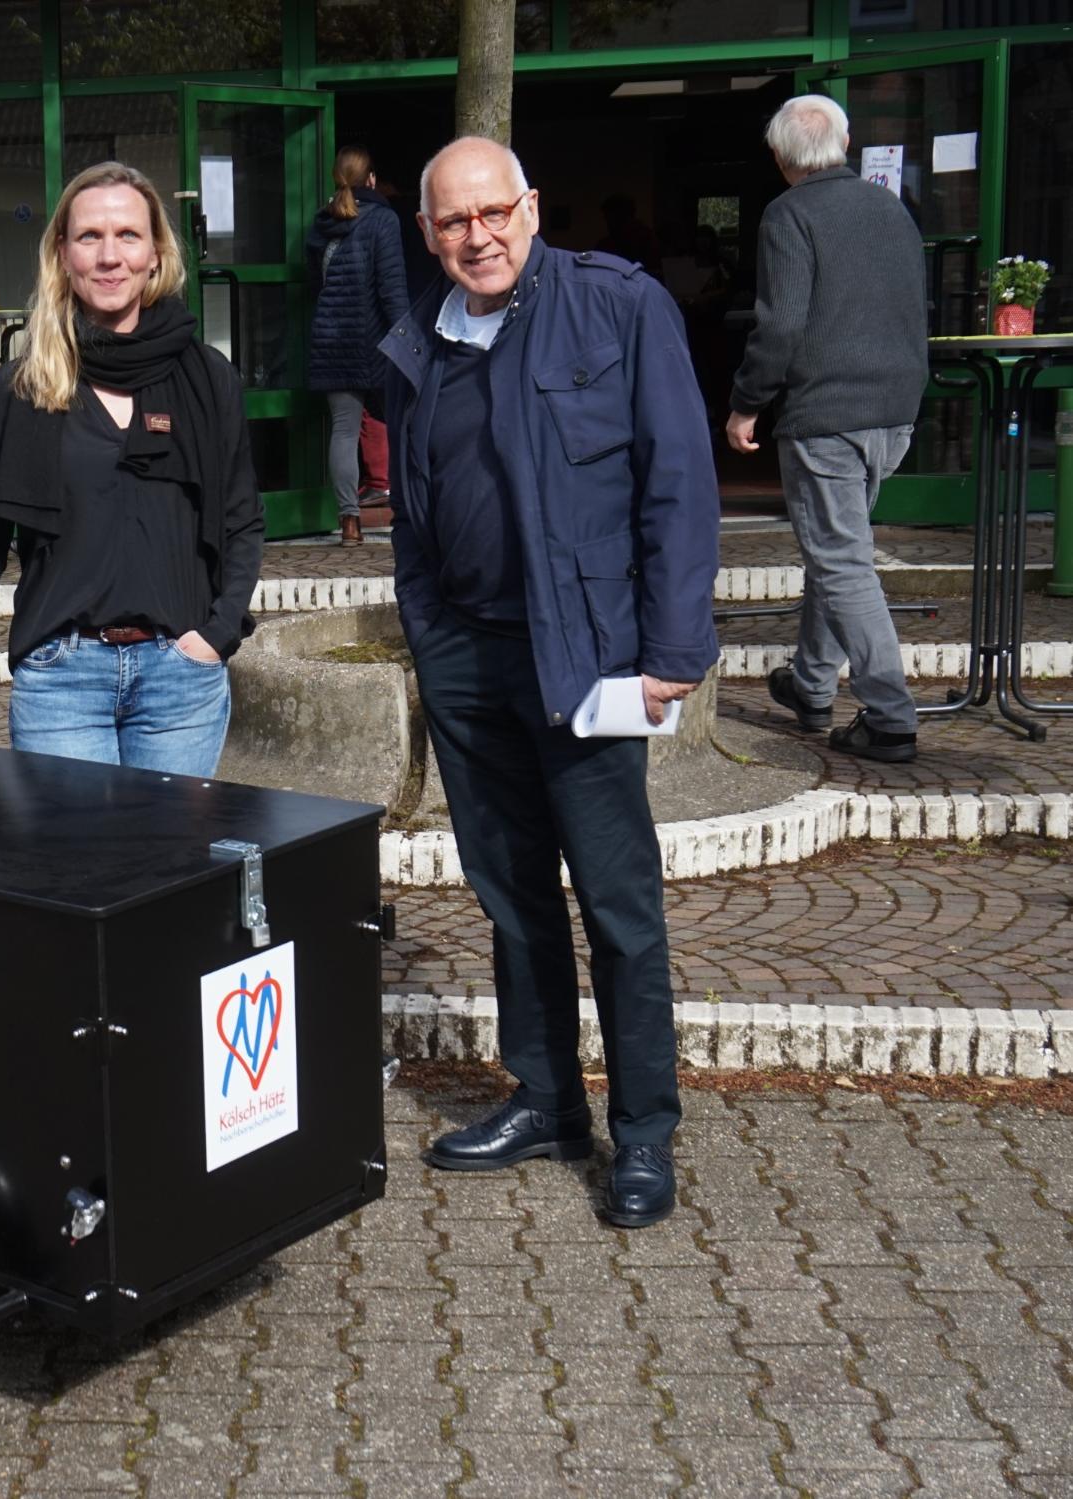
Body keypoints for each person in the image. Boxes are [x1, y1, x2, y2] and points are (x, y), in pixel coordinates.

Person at [381, 138, 720, 1229]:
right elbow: (417, 511)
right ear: (428, 234)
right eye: (451, 222)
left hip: (585, 655)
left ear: (531, 206)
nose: (476, 236)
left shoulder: (617, 309)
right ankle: (547, 1098)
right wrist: (428, 632)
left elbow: (677, 476)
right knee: (512, 894)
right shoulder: (422, 341)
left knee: (618, 905)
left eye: (494, 212)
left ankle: (646, 1132)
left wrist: (672, 648)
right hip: (471, 659)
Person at [0, 161, 264, 775]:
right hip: (62, 682)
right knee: (75, 869)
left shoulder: (208, 378)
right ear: (63, 254)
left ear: (157, 254)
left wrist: (217, 637)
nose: (110, 256)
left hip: (180, 681)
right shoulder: (21, 388)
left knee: (171, 868)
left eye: (128, 236)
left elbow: (242, 523)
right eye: (90, 237)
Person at [727, 95, 928, 764]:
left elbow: (780, 323)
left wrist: (746, 402)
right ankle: (811, 684)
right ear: (842, 144)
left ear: (781, 158)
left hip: (828, 412)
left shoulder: (789, 214)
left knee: (841, 559)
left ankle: (891, 715)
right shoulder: (890, 209)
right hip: (894, 410)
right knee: (836, 550)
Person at [306, 144, 410, 545]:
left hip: (331, 340)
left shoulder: (321, 223)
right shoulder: (383, 220)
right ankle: (407, 512)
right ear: (370, 180)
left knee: (345, 431)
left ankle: (349, 523)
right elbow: (392, 289)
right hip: (377, 340)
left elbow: (315, 286)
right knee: (401, 423)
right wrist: (407, 344)